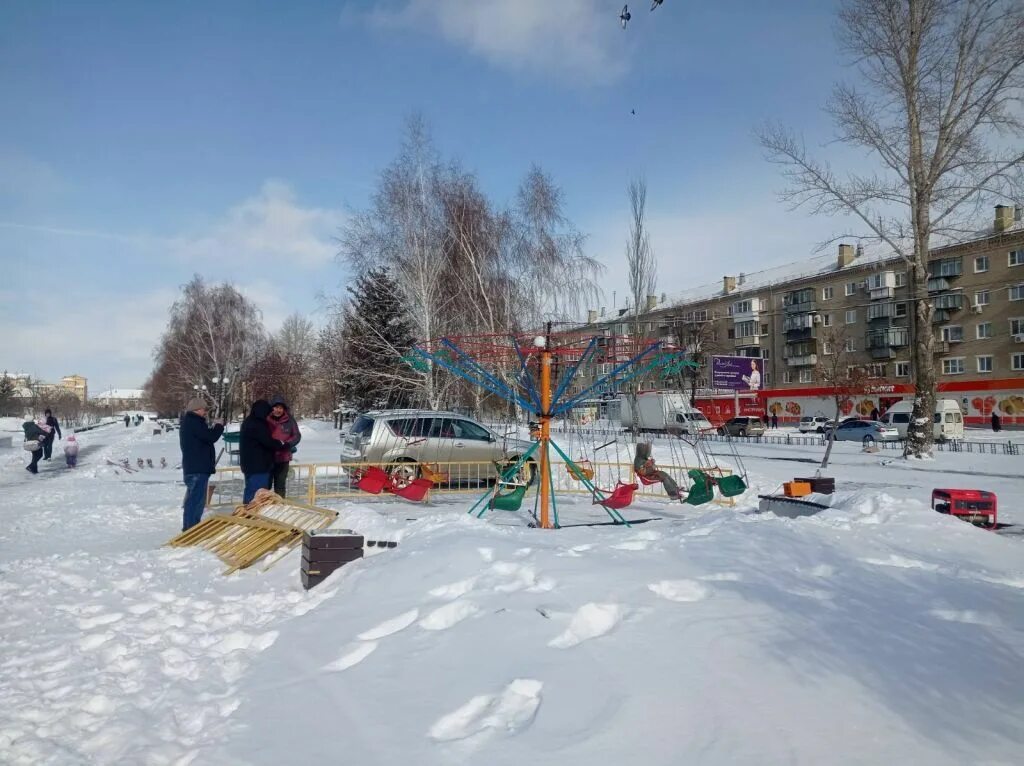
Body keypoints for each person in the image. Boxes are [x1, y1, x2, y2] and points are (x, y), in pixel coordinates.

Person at [178, 398, 225, 531]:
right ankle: (190, 528)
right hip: (197, 468)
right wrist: (219, 426)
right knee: (195, 501)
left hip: (195, 467)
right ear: (197, 409)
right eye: (204, 409)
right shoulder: (194, 422)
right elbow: (210, 437)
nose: (205, 412)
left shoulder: (191, 422)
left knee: (196, 500)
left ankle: (192, 527)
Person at [240, 400, 284, 503]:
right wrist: (281, 444)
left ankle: (247, 513)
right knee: (257, 494)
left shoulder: (249, 421)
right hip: (259, 465)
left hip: (250, 464)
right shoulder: (258, 424)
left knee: (251, 491)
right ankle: (251, 515)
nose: (268, 415)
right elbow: (267, 441)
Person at [266, 395, 301, 497]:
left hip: (283, 458)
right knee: (265, 486)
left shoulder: (290, 420)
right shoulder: (266, 419)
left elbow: (297, 435)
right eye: (276, 407)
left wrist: (287, 444)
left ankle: (280, 507)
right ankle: (263, 508)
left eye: (280, 408)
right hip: (268, 458)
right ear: (272, 408)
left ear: (284, 409)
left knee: (280, 486)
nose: (278, 410)